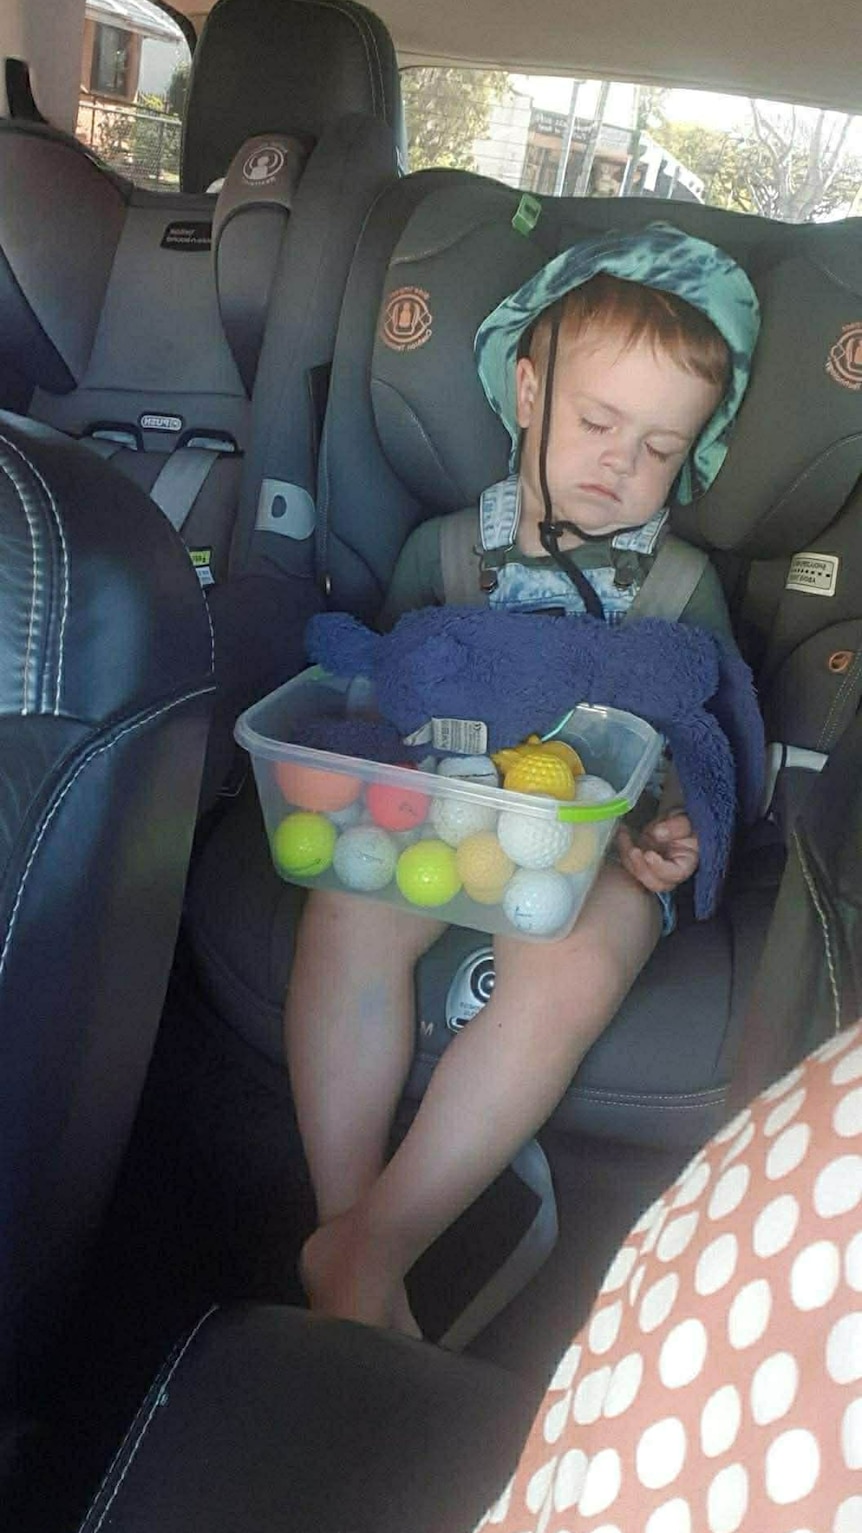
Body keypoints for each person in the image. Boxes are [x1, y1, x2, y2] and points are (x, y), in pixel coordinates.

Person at [285, 226, 761, 1339]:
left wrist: (674, 826)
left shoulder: (680, 587)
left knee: (582, 951)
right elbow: (384, 706)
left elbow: (702, 746)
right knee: (349, 904)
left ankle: (372, 1243)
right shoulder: (445, 555)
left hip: (583, 851)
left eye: (657, 447)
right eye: (596, 424)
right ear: (529, 387)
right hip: (439, 821)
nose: (619, 465)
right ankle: (346, 1225)